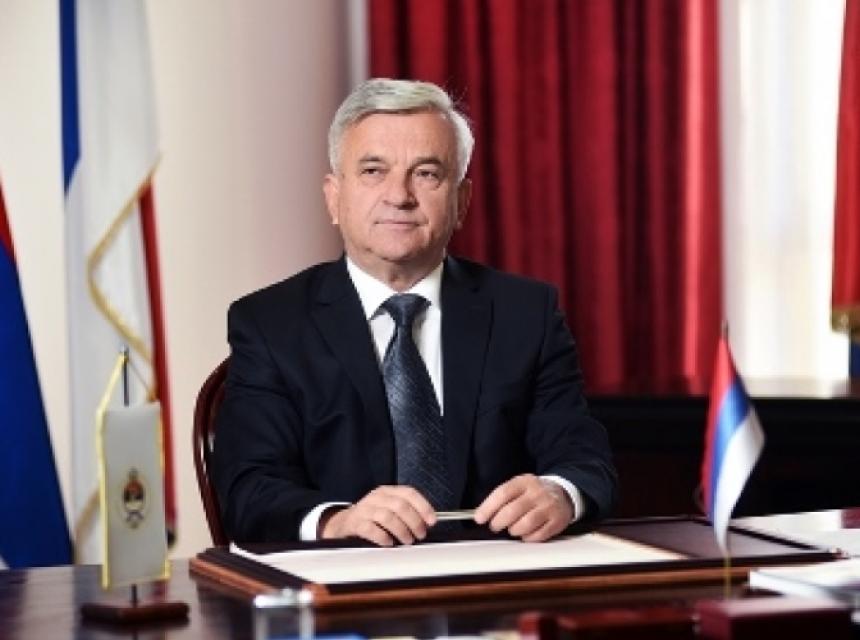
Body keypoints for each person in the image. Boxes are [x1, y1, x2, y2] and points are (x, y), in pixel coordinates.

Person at [212, 78, 617, 547]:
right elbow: (248, 488)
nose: (399, 195)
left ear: (461, 201)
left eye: (426, 173)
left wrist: (560, 493)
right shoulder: (270, 324)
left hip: (494, 576)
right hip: (344, 580)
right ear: (334, 197)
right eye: (373, 171)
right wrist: (336, 522)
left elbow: (586, 460)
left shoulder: (526, 314)